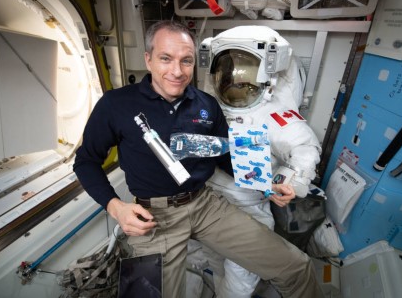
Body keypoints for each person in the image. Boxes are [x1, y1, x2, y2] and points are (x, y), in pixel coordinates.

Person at [73, 20, 323, 298]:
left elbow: (224, 155)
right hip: (154, 216)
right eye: (166, 59)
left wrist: (266, 184)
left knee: (296, 266)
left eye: (186, 61)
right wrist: (116, 207)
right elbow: (85, 161)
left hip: (205, 205)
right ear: (148, 59)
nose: (177, 71)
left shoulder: (206, 104)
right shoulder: (116, 104)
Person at [188, 26, 323, 297]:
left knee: (240, 275)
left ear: (268, 75)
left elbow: (305, 149)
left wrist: (285, 182)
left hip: (249, 207)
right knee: (214, 259)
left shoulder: (273, 116)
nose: (235, 82)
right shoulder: (206, 107)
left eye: (245, 75)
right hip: (209, 202)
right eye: (228, 71)